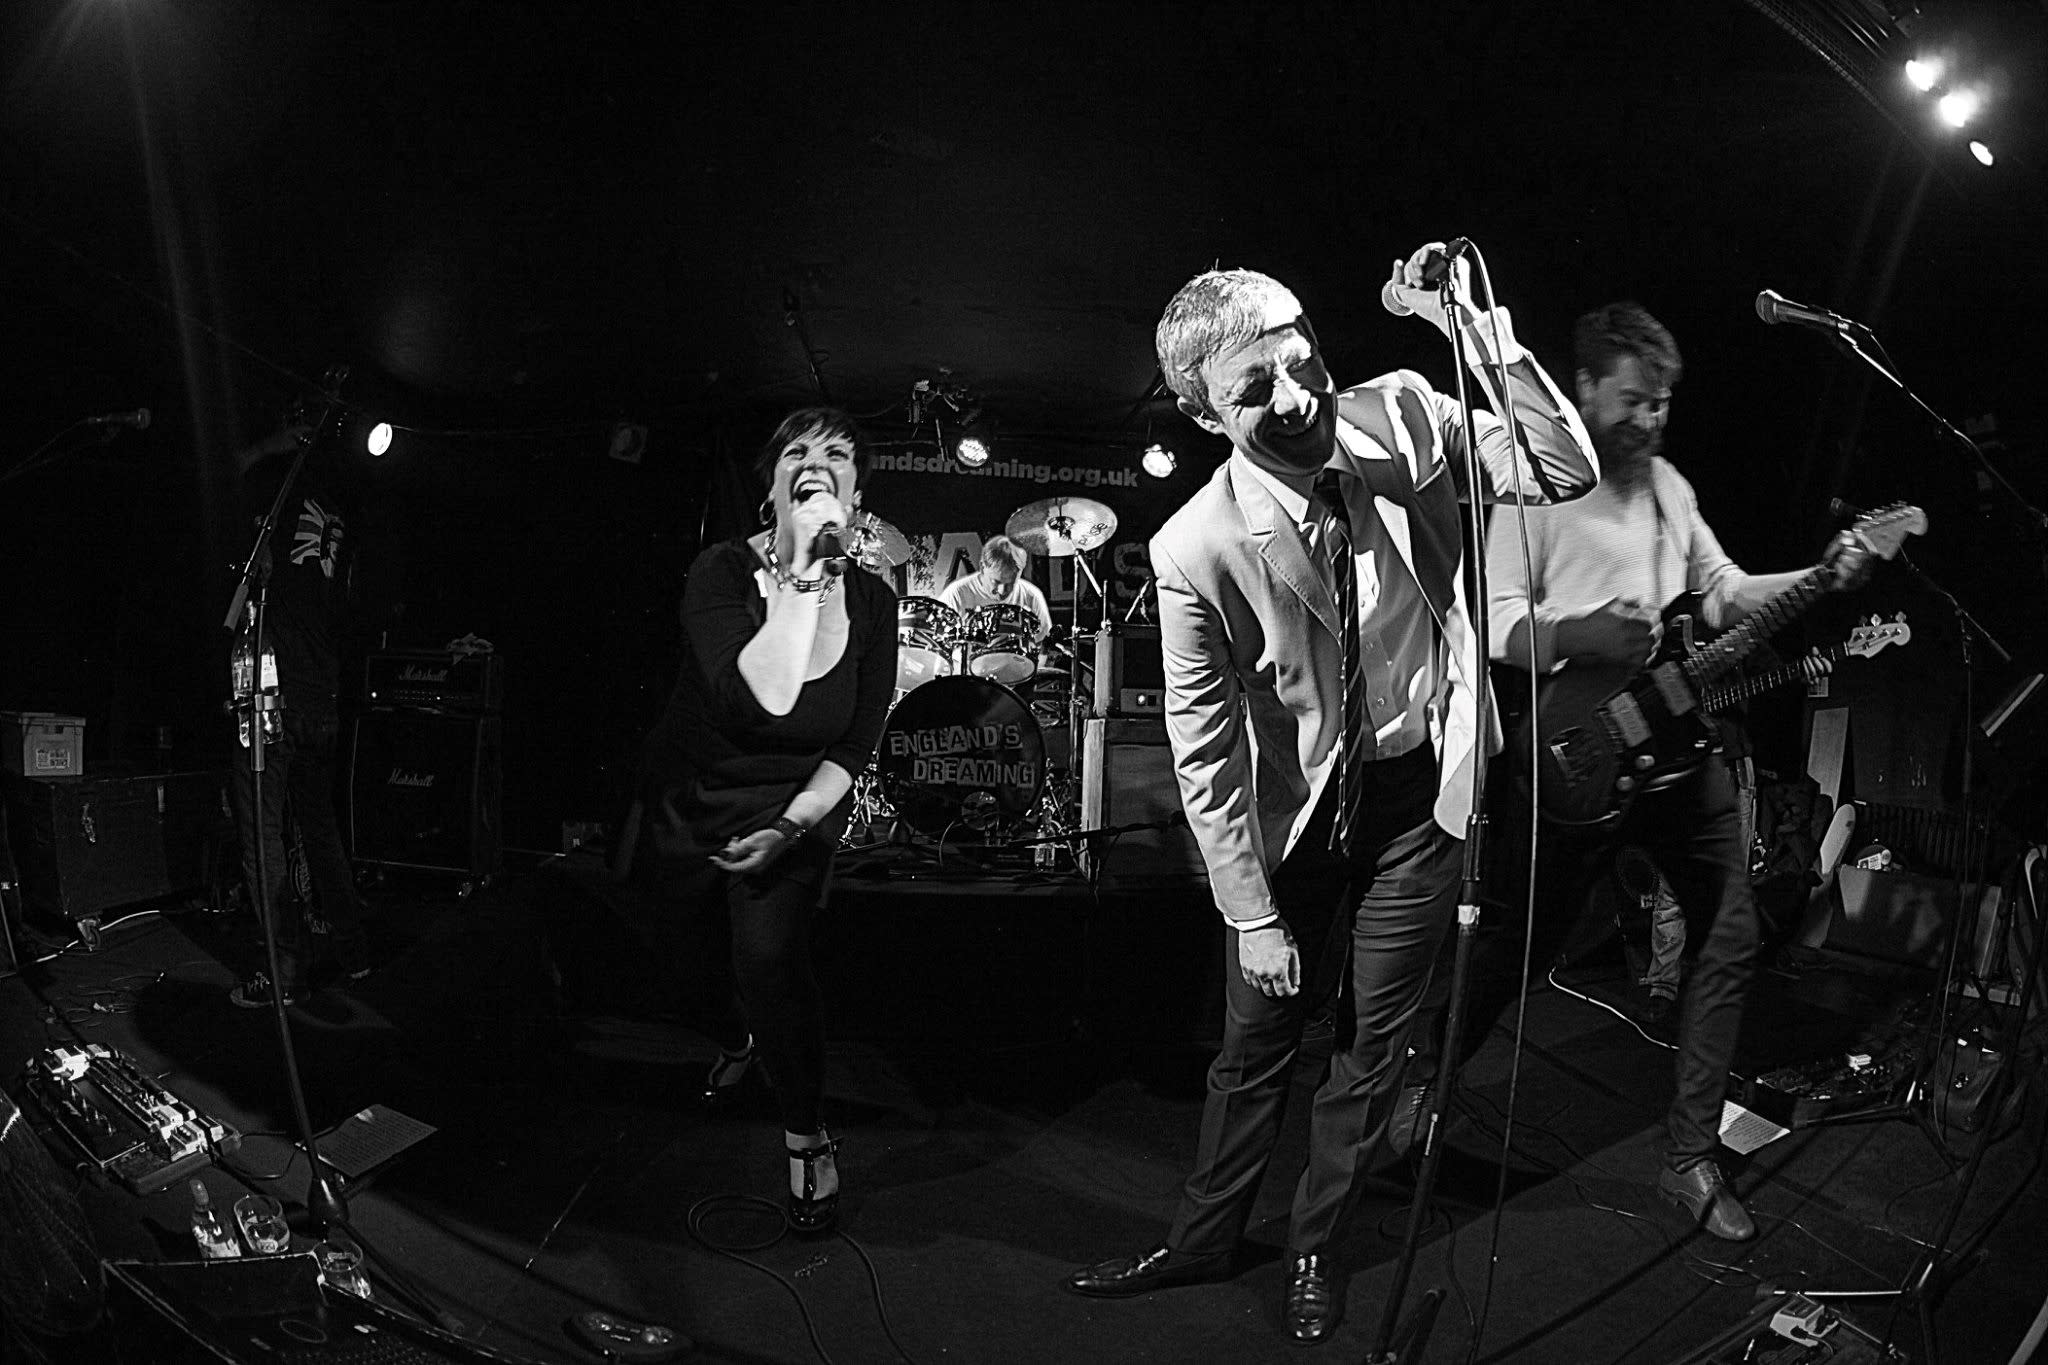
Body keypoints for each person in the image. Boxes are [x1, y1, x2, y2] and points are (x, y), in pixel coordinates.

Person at [1064, 248, 1600, 1344]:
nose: (1297, 394)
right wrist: (1251, 913)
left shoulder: (1400, 415)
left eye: (1298, 357)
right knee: (1255, 1045)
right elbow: (1204, 748)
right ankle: (1203, 1237)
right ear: (1202, 413)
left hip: (1424, 799)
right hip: (1295, 821)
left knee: (1372, 1048)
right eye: (1253, 388)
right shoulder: (1194, 546)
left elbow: (1559, 470)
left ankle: (1314, 1246)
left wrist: (1472, 331)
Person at [1403, 301, 1871, 1241]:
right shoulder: (1532, 489)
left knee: (1729, 936)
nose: (1650, 420)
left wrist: (1821, 577)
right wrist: (1579, 630)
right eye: (1632, 401)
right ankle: (1421, 1087)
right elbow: (1493, 623)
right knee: (1515, 946)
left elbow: (1725, 593)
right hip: (1574, 751)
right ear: (1583, 389)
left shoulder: (1666, 485)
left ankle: (1690, 1155)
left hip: (1680, 753)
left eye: (1661, 404)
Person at [637, 406, 896, 1233]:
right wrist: (802, 576)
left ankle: (805, 1134)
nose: (817, 460)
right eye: (797, 451)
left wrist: (790, 827)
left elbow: (855, 739)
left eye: (838, 454)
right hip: (696, 791)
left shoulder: (874, 601)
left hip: (795, 800)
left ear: (855, 494)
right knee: (682, 966)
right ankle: (735, 1040)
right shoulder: (718, 572)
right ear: (772, 485)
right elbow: (763, 694)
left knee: (770, 958)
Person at [226, 416, 373, 1008]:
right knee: (320, 829)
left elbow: (229, 475)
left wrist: (269, 443)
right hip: (322, 696)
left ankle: (281, 970)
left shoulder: (279, 488)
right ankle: (354, 952)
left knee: (262, 831)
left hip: (275, 693)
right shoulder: (340, 510)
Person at [936, 533, 1055, 638]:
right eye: (996, 582)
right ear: (982, 567)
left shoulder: (1032, 595)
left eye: (1010, 583)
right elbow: (937, 644)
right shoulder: (956, 594)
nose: (1002, 591)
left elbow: (1044, 643)